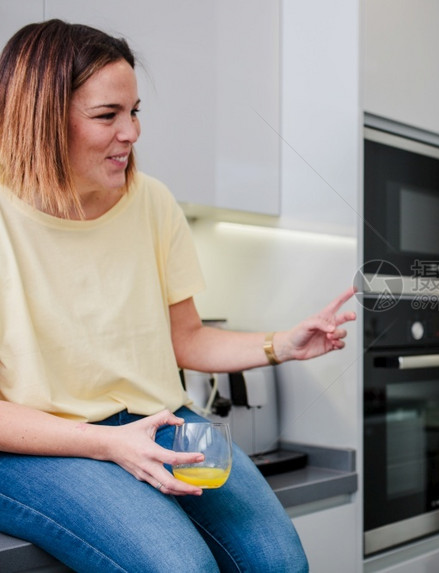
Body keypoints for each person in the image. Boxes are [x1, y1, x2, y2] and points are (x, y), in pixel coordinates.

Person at [0, 20, 356, 572]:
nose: (132, 132)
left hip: (156, 420)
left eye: (134, 111)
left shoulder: (151, 201)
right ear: (42, 118)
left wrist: (282, 344)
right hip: (35, 444)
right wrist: (106, 444)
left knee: (280, 562)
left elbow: (185, 339)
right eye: (107, 116)